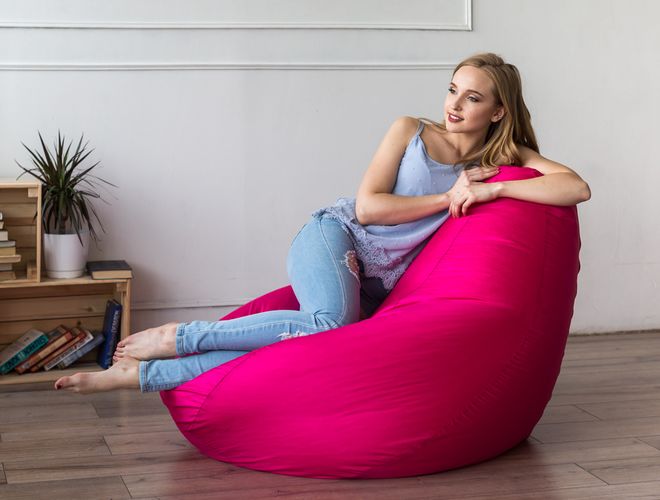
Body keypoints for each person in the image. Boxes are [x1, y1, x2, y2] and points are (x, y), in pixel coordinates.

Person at [54, 52, 591, 394]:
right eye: (453, 89)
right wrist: (449, 196)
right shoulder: (411, 130)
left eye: (472, 97)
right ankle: (181, 336)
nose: (454, 104)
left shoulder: (501, 158)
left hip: (381, 282)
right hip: (337, 237)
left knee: (304, 350)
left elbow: (575, 187)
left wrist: (495, 188)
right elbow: (368, 208)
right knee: (328, 325)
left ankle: (142, 375)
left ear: (498, 111)